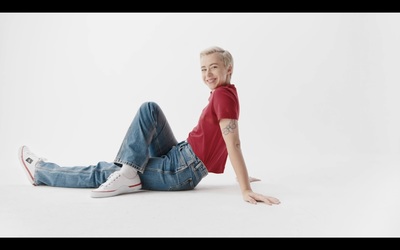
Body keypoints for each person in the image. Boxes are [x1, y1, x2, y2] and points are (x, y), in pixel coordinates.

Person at [18, 46, 281, 206]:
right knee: (150, 110)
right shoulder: (227, 93)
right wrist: (240, 177)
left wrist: (245, 188)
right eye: (203, 69)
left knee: (103, 171)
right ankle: (129, 170)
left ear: (229, 68)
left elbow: (232, 141)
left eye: (214, 67)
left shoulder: (223, 96)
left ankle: (42, 172)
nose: (207, 74)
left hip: (180, 170)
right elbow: (223, 139)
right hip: (181, 156)